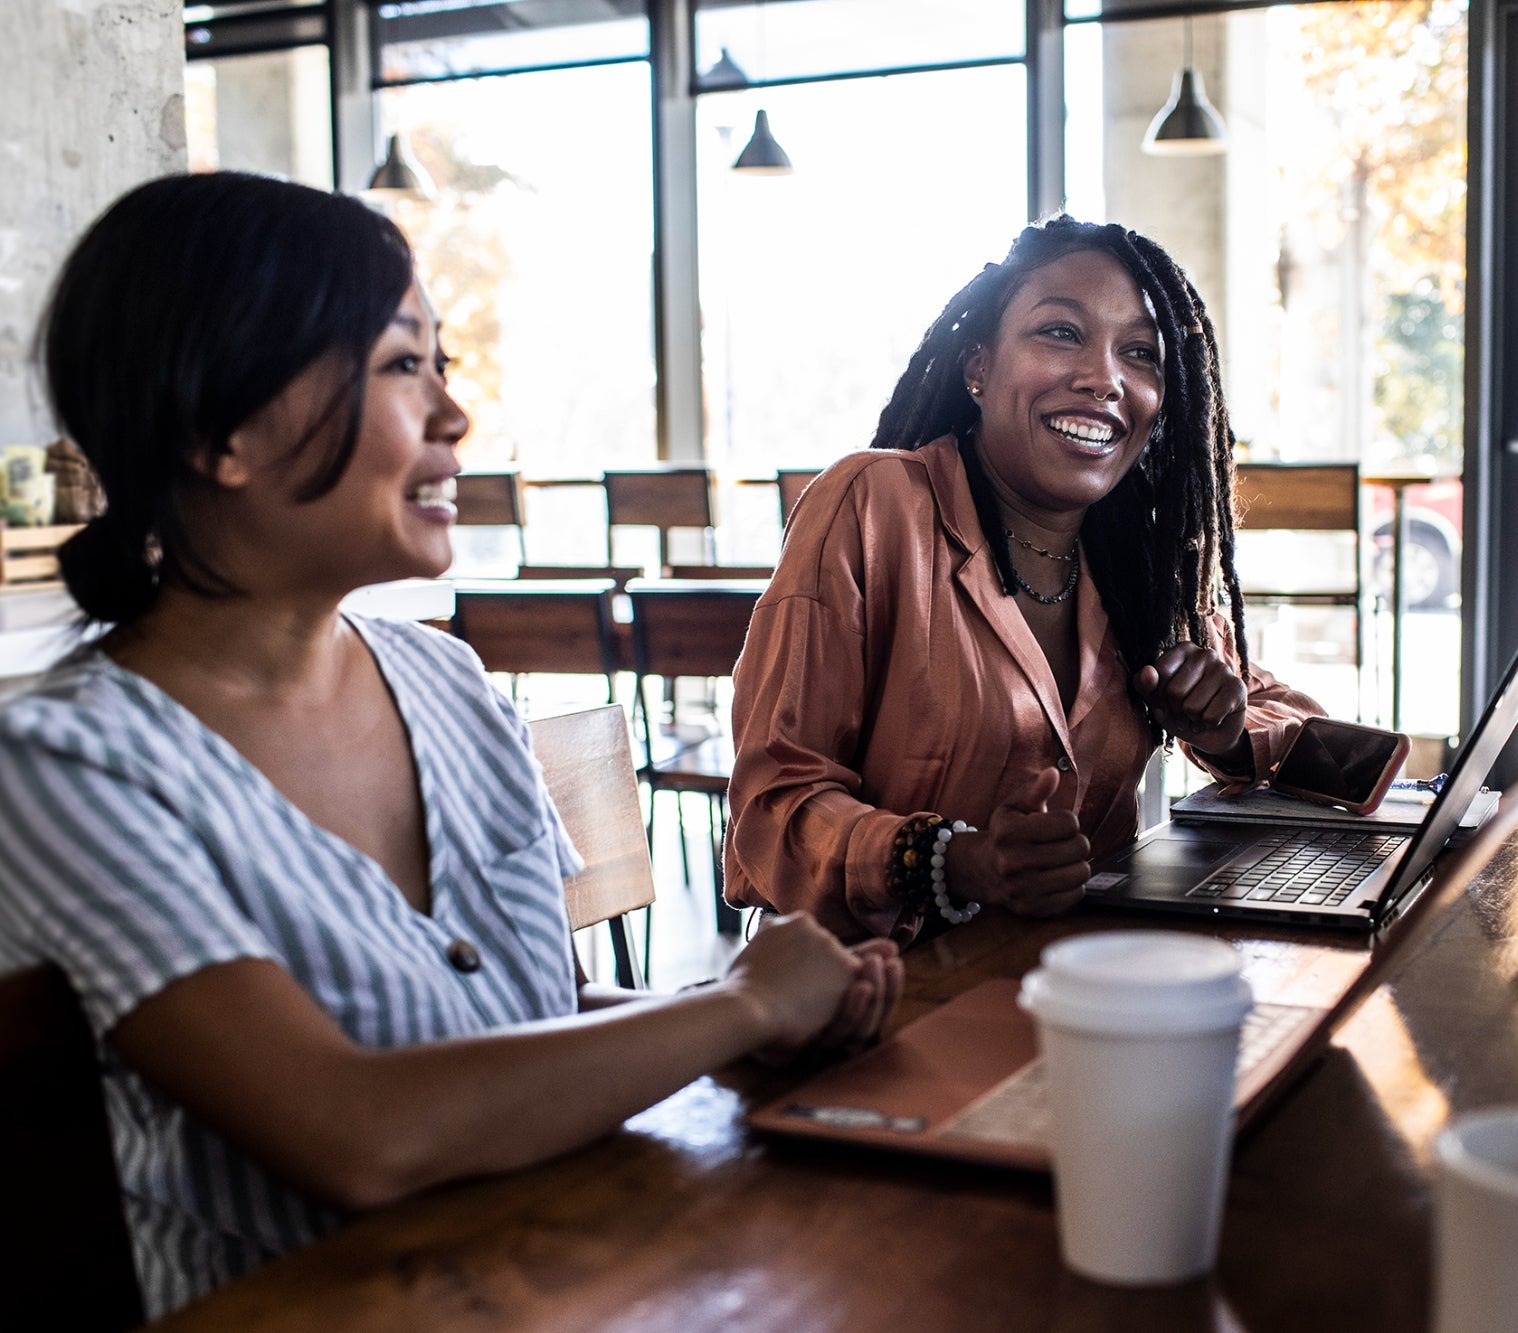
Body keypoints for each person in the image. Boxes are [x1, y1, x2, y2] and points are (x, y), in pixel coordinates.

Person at [0, 172, 901, 1318]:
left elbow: (523, 1020)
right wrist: (737, 1009)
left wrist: (747, 1028)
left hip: (573, 1271)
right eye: (398, 364)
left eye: (441, 363)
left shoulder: (445, 677)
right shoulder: (69, 766)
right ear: (216, 432)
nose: (452, 415)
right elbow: (356, 1132)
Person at [727, 216, 1326, 943]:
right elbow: (771, 808)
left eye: (1139, 353)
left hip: (1074, 982)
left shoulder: (1134, 569)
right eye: (1061, 333)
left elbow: (1301, 728)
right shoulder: (872, 504)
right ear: (979, 364)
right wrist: (950, 861)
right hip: (869, 995)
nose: (1104, 378)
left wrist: (1227, 733)